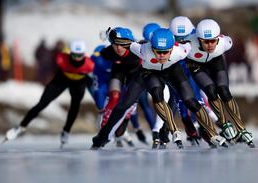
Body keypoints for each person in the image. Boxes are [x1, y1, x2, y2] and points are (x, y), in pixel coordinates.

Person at [92, 28, 227, 149]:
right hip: (148, 72)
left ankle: (212, 133)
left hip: (172, 71)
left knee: (190, 101)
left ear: (172, 48)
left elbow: (194, 42)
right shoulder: (142, 49)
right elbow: (123, 42)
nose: (161, 56)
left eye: (165, 52)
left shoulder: (180, 51)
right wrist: (110, 34)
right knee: (126, 103)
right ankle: (103, 137)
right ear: (151, 48)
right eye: (158, 52)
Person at [4, 40, 94, 147]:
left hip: (78, 82)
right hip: (61, 79)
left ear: (84, 54)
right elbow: (49, 65)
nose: (77, 58)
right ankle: (21, 126)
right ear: (70, 53)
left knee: (75, 106)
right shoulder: (61, 58)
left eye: (80, 55)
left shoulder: (90, 65)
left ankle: (66, 131)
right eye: (74, 55)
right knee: (42, 103)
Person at [184, 19, 254, 147]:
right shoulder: (188, 44)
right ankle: (224, 123)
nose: (210, 45)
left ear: (218, 38)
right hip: (196, 65)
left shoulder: (225, 42)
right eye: (206, 42)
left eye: (213, 41)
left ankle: (241, 128)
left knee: (224, 91)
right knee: (211, 91)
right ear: (198, 39)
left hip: (216, 62)